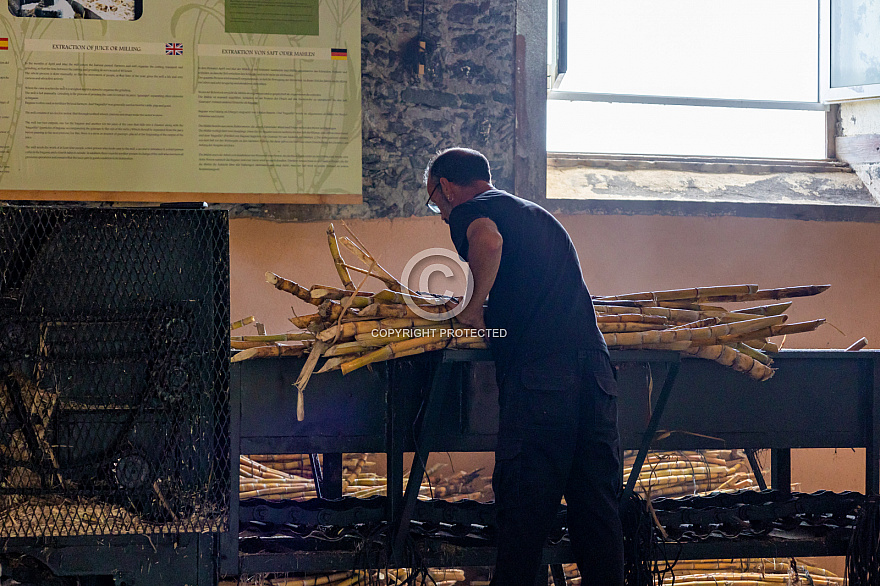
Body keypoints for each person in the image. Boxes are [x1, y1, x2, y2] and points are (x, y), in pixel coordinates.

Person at [423, 147, 624, 586]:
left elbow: (488, 241)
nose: (440, 214)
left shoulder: (471, 210)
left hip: (542, 382)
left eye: (435, 201)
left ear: (449, 187)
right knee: (599, 518)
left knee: (524, 517)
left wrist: (473, 308)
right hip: (596, 376)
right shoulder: (536, 214)